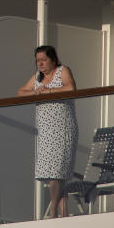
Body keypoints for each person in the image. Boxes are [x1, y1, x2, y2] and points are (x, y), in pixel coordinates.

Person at [17, 45, 78, 218]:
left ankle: (52, 211)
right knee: (53, 175)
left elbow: (70, 89)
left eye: (44, 60)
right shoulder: (38, 77)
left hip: (62, 129)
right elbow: (20, 92)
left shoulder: (62, 70)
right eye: (37, 60)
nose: (40, 63)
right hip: (45, 132)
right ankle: (62, 217)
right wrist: (36, 93)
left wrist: (49, 91)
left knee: (57, 173)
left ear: (53, 59)